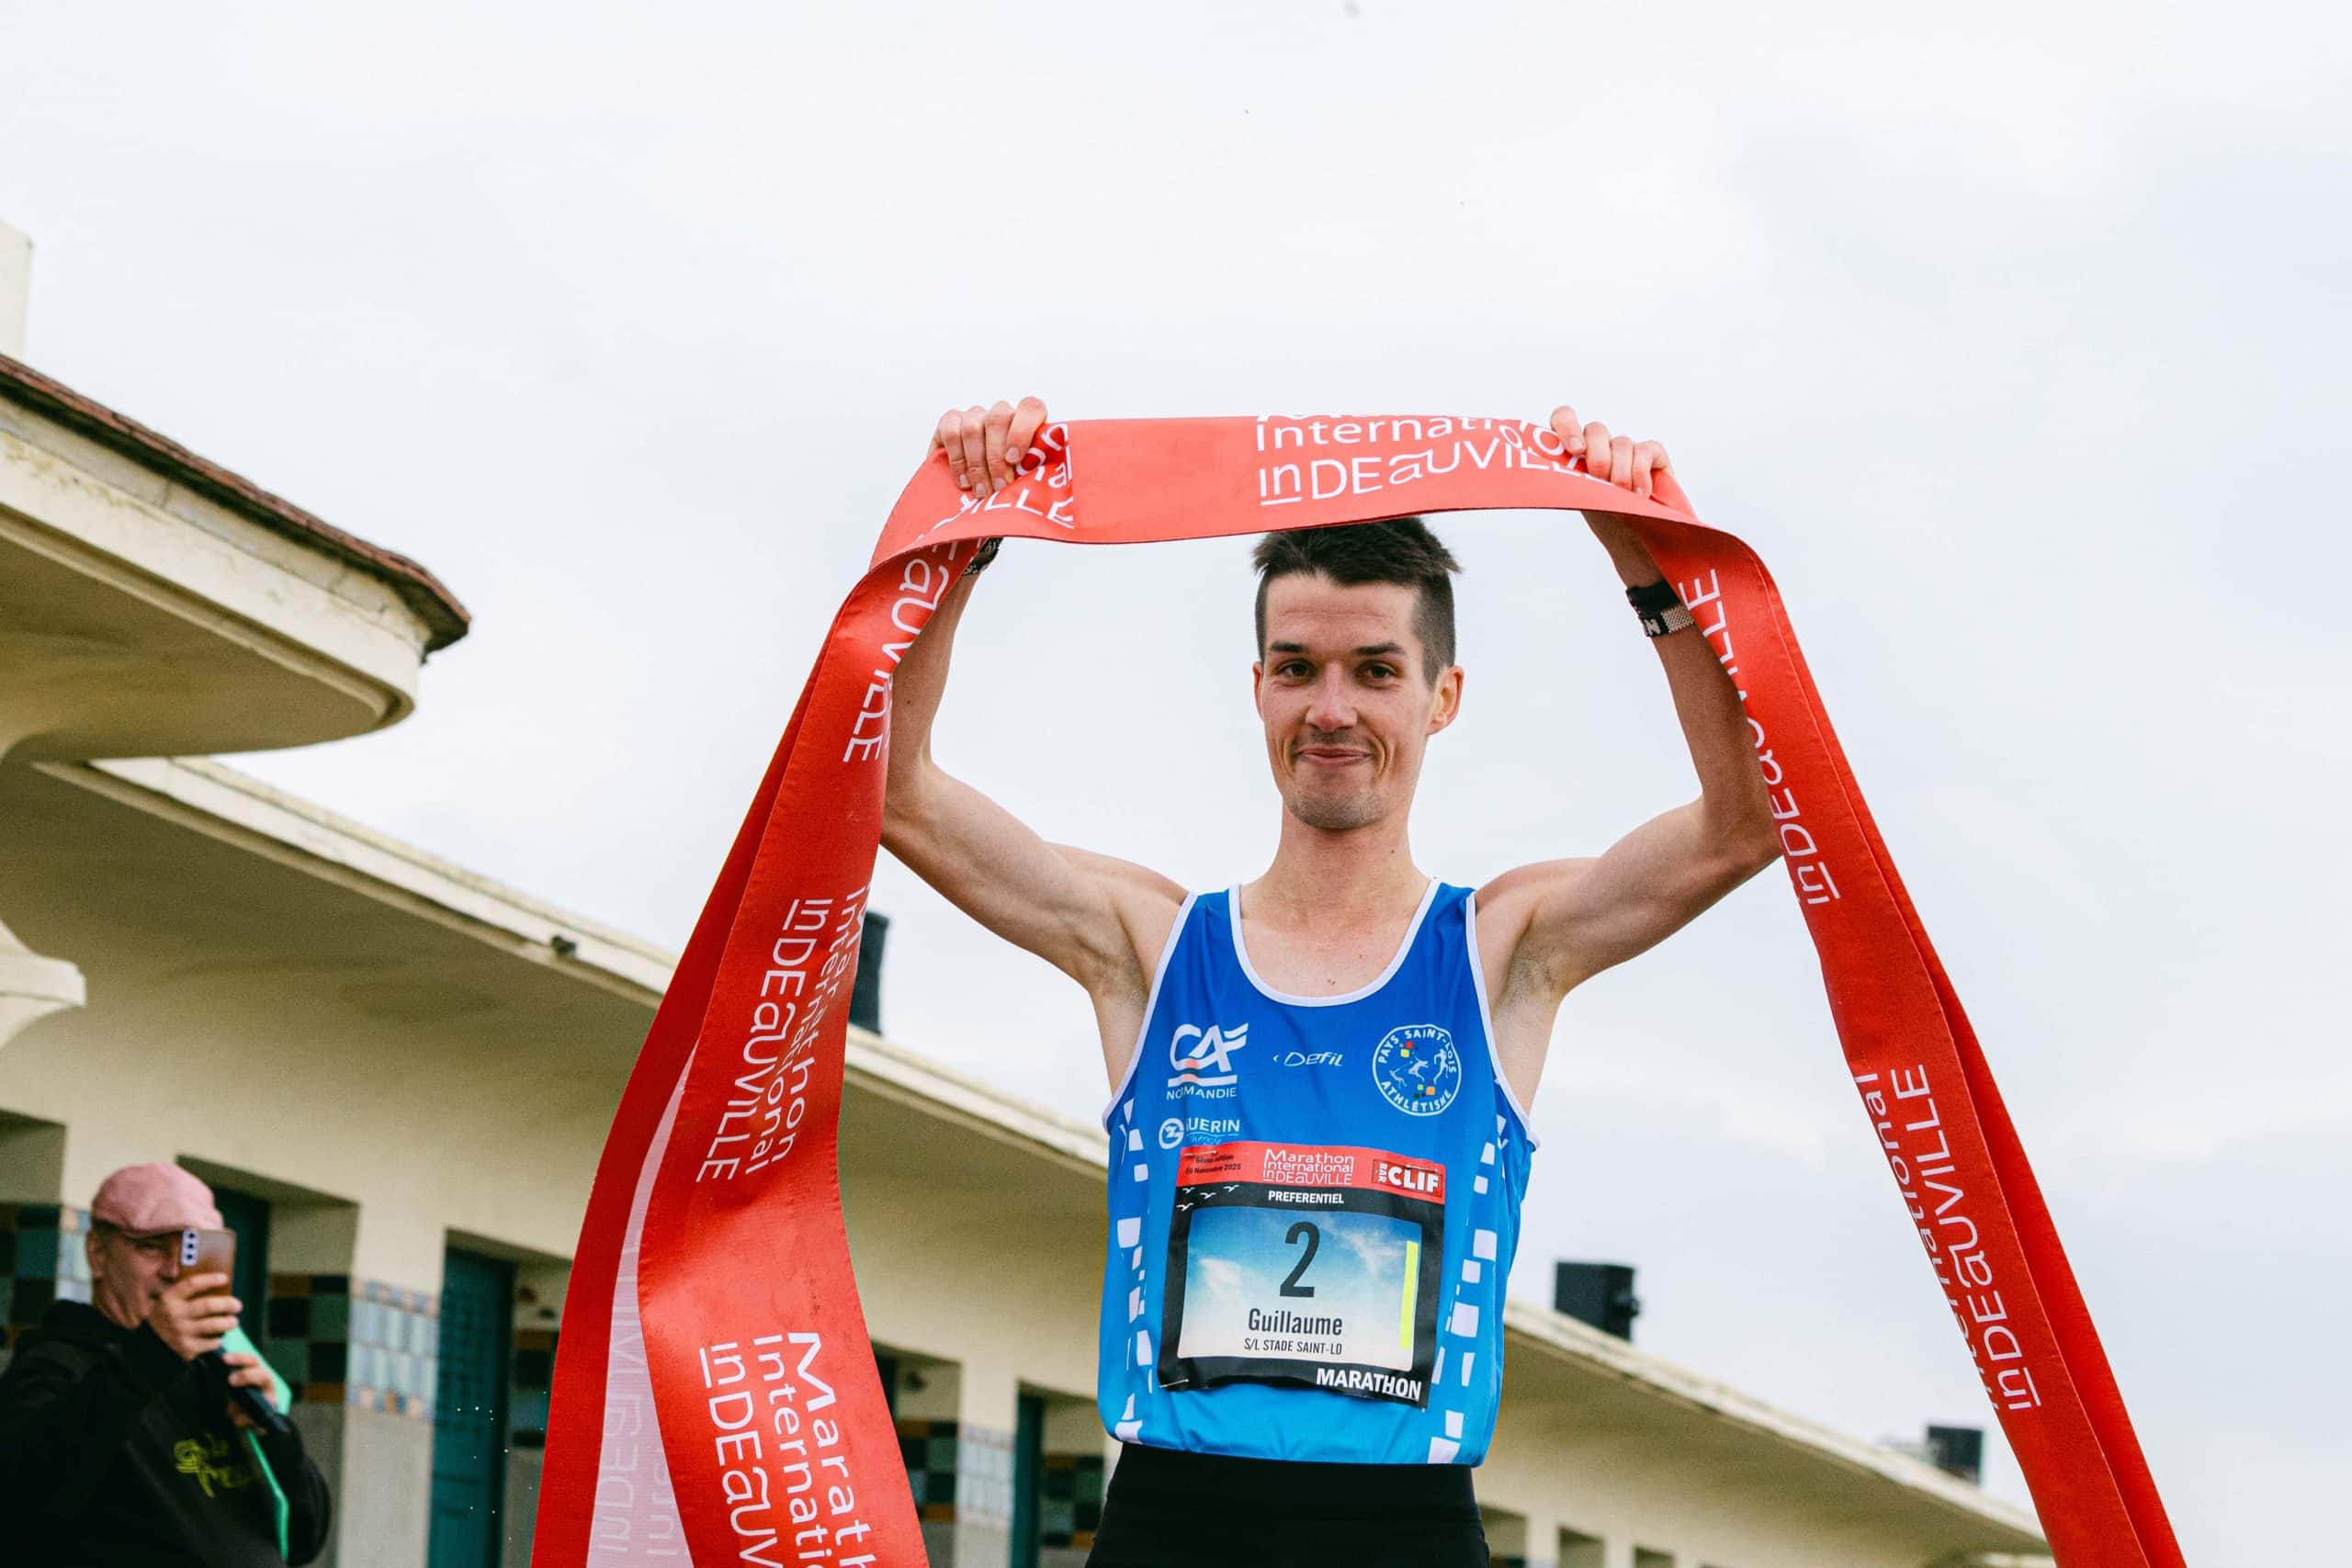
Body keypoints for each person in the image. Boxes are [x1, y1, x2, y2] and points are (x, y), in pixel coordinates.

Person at [890, 399, 1781, 1566]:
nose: (1331, 709)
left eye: (1375, 671)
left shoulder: (1502, 950)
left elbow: (1747, 823)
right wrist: (959, 541)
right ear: (1258, 685)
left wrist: (1647, 567)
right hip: (1172, 1520)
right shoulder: (1150, 947)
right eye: (1298, 668)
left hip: (1404, 1526)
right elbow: (891, 790)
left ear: (1440, 697)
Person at [0, 1162, 333, 1565]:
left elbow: (305, 1537)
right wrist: (150, 1355)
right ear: (98, 1253)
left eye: (193, 1251)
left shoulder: (217, 1370)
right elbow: (21, 1501)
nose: (174, 1271)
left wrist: (276, 1436)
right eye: (151, 1246)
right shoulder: (55, 1364)